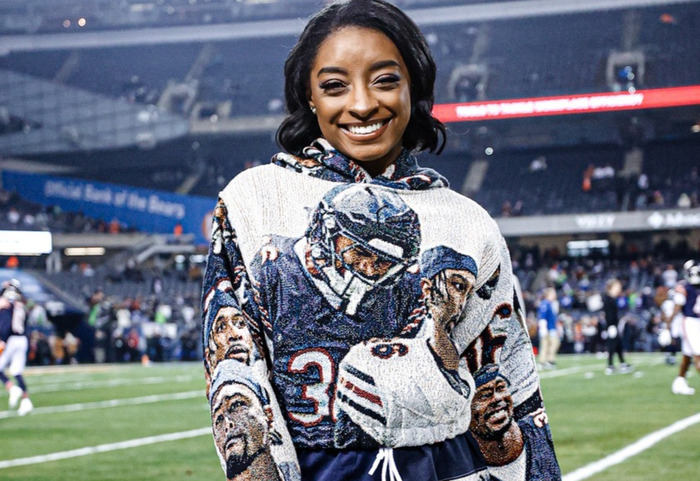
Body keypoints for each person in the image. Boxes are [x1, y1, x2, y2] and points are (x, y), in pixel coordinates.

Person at [201, 1, 560, 480]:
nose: (363, 103)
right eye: (334, 86)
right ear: (308, 96)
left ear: (414, 84)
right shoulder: (255, 201)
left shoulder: (466, 221)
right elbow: (235, 379)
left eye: (385, 79)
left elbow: (510, 384)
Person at [469, 364, 560, 481]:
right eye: (485, 395)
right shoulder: (460, 459)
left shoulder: (537, 433)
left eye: (501, 388)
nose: (497, 398)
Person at [0, 279, 33, 415]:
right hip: (23, 338)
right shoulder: (22, 301)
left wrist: (3, 339)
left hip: (11, 338)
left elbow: (6, 321)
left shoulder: (9, 299)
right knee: (17, 371)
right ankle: (26, 401)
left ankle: (12, 387)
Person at [669, 260, 700, 395]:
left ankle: (680, 381)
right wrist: (668, 323)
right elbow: (678, 304)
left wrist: (668, 323)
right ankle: (680, 381)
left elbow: (678, 304)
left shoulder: (683, 286)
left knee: (687, 355)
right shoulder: (685, 287)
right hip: (691, 322)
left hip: (692, 321)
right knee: (698, 355)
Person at [601, 279, 632, 375]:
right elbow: (608, 315)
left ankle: (622, 363)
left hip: (613, 325)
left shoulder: (612, 298)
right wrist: (610, 326)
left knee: (618, 345)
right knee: (612, 346)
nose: (619, 288)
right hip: (611, 326)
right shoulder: (608, 298)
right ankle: (610, 366)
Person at [537, 288, 560, 369]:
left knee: (552, 344)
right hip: (548, 328)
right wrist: (543, 328)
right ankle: (544, 361)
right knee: (546, 344)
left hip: (551, 327)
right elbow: (542, 317)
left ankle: (547, 360)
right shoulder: (545, 303)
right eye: (553, 293)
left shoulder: (551, 303)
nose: (555, 295)